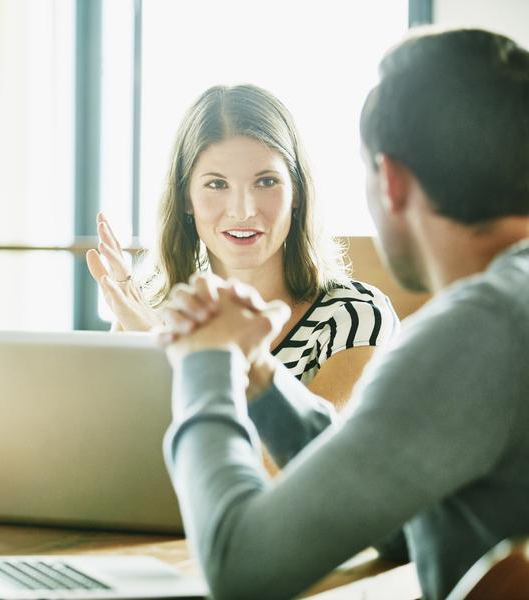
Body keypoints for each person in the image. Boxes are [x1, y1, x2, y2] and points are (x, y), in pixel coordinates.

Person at [158, 27, 529, 600]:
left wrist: (206, 364)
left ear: (392, 180)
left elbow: (240, 569)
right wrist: (262, 380)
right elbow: (400, 516)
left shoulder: (476, 330)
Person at [86, 84, 398, 409]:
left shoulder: (355, 316)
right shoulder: (149, 314)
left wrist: (174, 360)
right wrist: (146, 344)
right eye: (217, 184)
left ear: (298, 193)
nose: (243, 210)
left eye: (266, 182)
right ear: (186, 200)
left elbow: (303, 458)